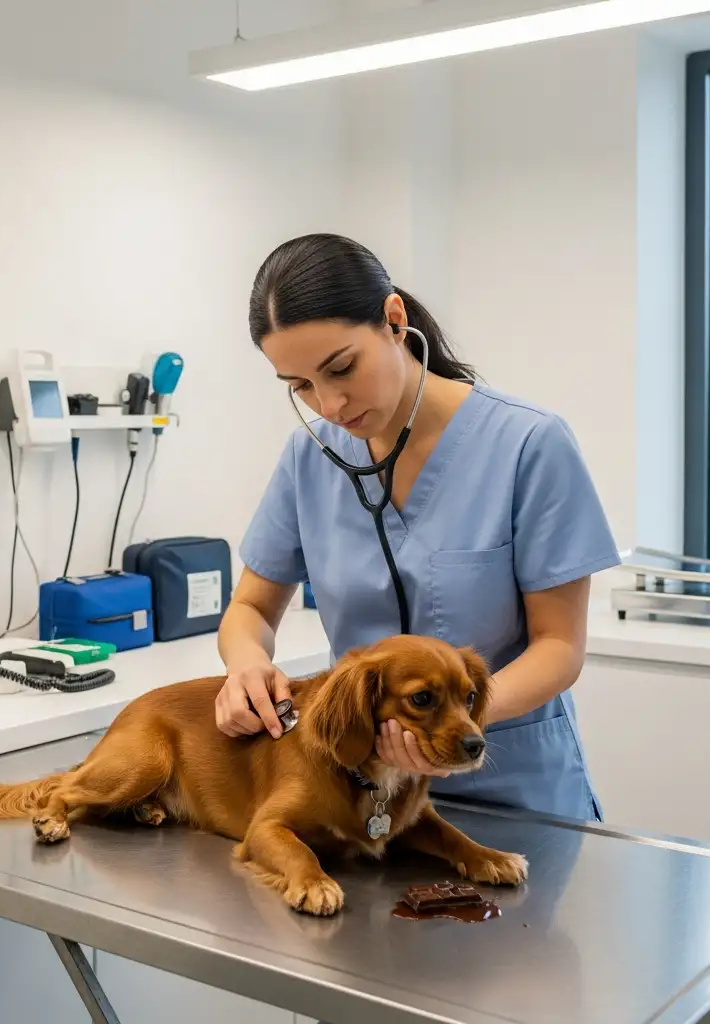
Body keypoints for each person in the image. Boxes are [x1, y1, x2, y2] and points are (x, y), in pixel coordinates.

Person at [214, 232, 620, 821]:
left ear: (394, 320)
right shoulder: (309, 457)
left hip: (505, 789)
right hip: (359, 793)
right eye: (301, 386)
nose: (329, 405)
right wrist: (246, 664)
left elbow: (559, 647)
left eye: (341, 368)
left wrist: (456, 725)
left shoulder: (529, 444)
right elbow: (249, 609)